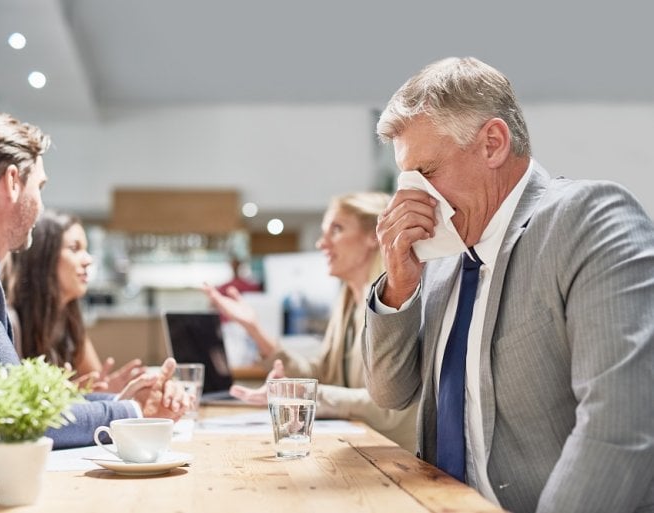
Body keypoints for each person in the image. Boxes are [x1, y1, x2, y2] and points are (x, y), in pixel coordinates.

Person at [364, 57, 654, 513]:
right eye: (408, 178)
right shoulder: (442, 256)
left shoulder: (589, 218)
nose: (414, 197)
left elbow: (621, 421)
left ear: (493, 144)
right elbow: (389, 392)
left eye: (428, 172)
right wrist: (399, 284)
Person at [0, 110, 188, 510]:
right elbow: (15, 412)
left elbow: (17, 396)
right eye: (39, 186)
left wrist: (117, 404)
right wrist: (129, 411)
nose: (41, 204)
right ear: (12, 181)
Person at [204, 192, 418, 451]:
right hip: (360, 449)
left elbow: (392, 406)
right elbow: (321, 373)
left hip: (397, 457)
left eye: (336, 230)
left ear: (374, 235)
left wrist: (303, 394)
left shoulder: (398, 306)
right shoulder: (347, 302)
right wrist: (253, 329)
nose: (322, 244)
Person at [2, 209, 143, 393]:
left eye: (86, 249)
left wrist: (108, 391)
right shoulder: (10, 321)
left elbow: (96, 384)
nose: (88, 260)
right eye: (74, 249)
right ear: (44, 258)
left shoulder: (69, 320)